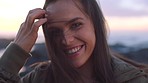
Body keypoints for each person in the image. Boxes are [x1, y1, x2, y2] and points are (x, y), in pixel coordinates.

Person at [0, 0, 148, 83]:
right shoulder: (40, 78)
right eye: (55, 31)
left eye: (76, 25)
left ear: (96, 25)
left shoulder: (131, 80)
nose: (67, 40)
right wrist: (17, 50)